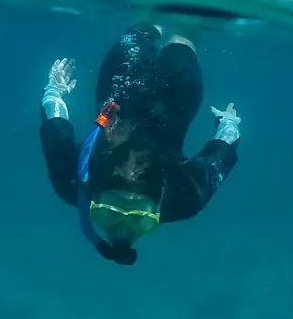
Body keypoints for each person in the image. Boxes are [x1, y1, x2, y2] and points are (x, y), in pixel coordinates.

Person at [38, 24, 242, 266]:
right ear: (157, 207)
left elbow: (56, 124)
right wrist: (229, 123)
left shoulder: (70, 180)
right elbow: (221, 152)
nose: (121, 232)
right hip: (176, 99)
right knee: (185, 33)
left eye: (106, 214)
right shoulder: (184, 196)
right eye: (140, 220)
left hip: (122, 87)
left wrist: (54, 88)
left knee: (144, 26)